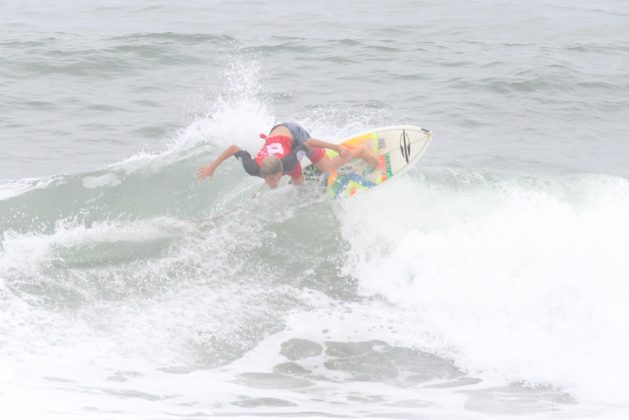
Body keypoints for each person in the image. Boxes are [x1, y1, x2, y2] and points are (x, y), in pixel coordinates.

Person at [196, 122, 378, 188]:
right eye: (271, 180)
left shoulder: (289, 161)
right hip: (277, 133)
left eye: (275, 179)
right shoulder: (253, 168)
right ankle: (308, 177)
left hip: (294, 133)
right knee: (298, 183)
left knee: (328, 168)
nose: (273, 183)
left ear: (281, 171)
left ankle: (360, 150)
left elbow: (308, 144)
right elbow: (235, 149)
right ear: (263, 174)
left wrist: (337, 148)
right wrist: (213, 166)